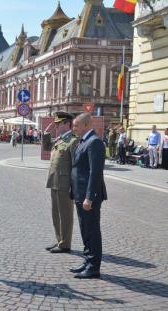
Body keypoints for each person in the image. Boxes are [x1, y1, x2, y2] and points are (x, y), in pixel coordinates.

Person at [70, 113, 107, 279]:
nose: (74, 128)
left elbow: (95, 173)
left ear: (85, 125)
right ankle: (87, 261)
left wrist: (89, 197)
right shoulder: (83, 141)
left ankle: (93, 267)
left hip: (88, 197)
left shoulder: (95, 142)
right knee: (85, 230)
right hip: (80, 194)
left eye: (76, 126)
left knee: (92, 230)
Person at [43, 112, 78, 254]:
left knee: (65, 215)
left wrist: (73, 186)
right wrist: (46, 133)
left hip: (65, 184)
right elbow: (46, 147)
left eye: (58, 123)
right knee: (56, 213)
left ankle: (65, 244)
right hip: (54, 181)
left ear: (66, 123)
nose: (56, 125)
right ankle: (59, 240)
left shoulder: (73, 141)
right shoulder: (60, 140)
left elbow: (76, 166)